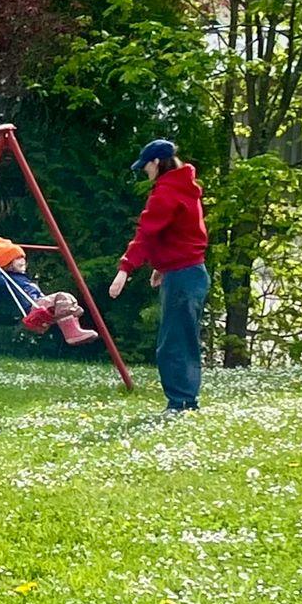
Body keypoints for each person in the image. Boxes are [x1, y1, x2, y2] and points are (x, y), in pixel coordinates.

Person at [108, 138, 209, 412]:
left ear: (156, 162)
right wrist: (161, 266)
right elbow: (180, 234)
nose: (145, 170)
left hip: (182, 277)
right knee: (184, 339)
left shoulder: (166, 192)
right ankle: (186, 401)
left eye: (146, 165)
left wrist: (124, 269)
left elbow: (147, 234)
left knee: (173, 343)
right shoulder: (185, 188)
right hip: (192, 272)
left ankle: (180, 403)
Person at [0, 237, 99, 345]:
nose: (23, 261)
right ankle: (71, 333)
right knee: (62, 296)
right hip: (32, 307)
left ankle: (74, 328)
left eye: (23, 258)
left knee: (67, 299)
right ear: (8, 263)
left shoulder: (23, 278)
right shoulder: (9, 278)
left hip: (39, 304)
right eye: (17, 259)